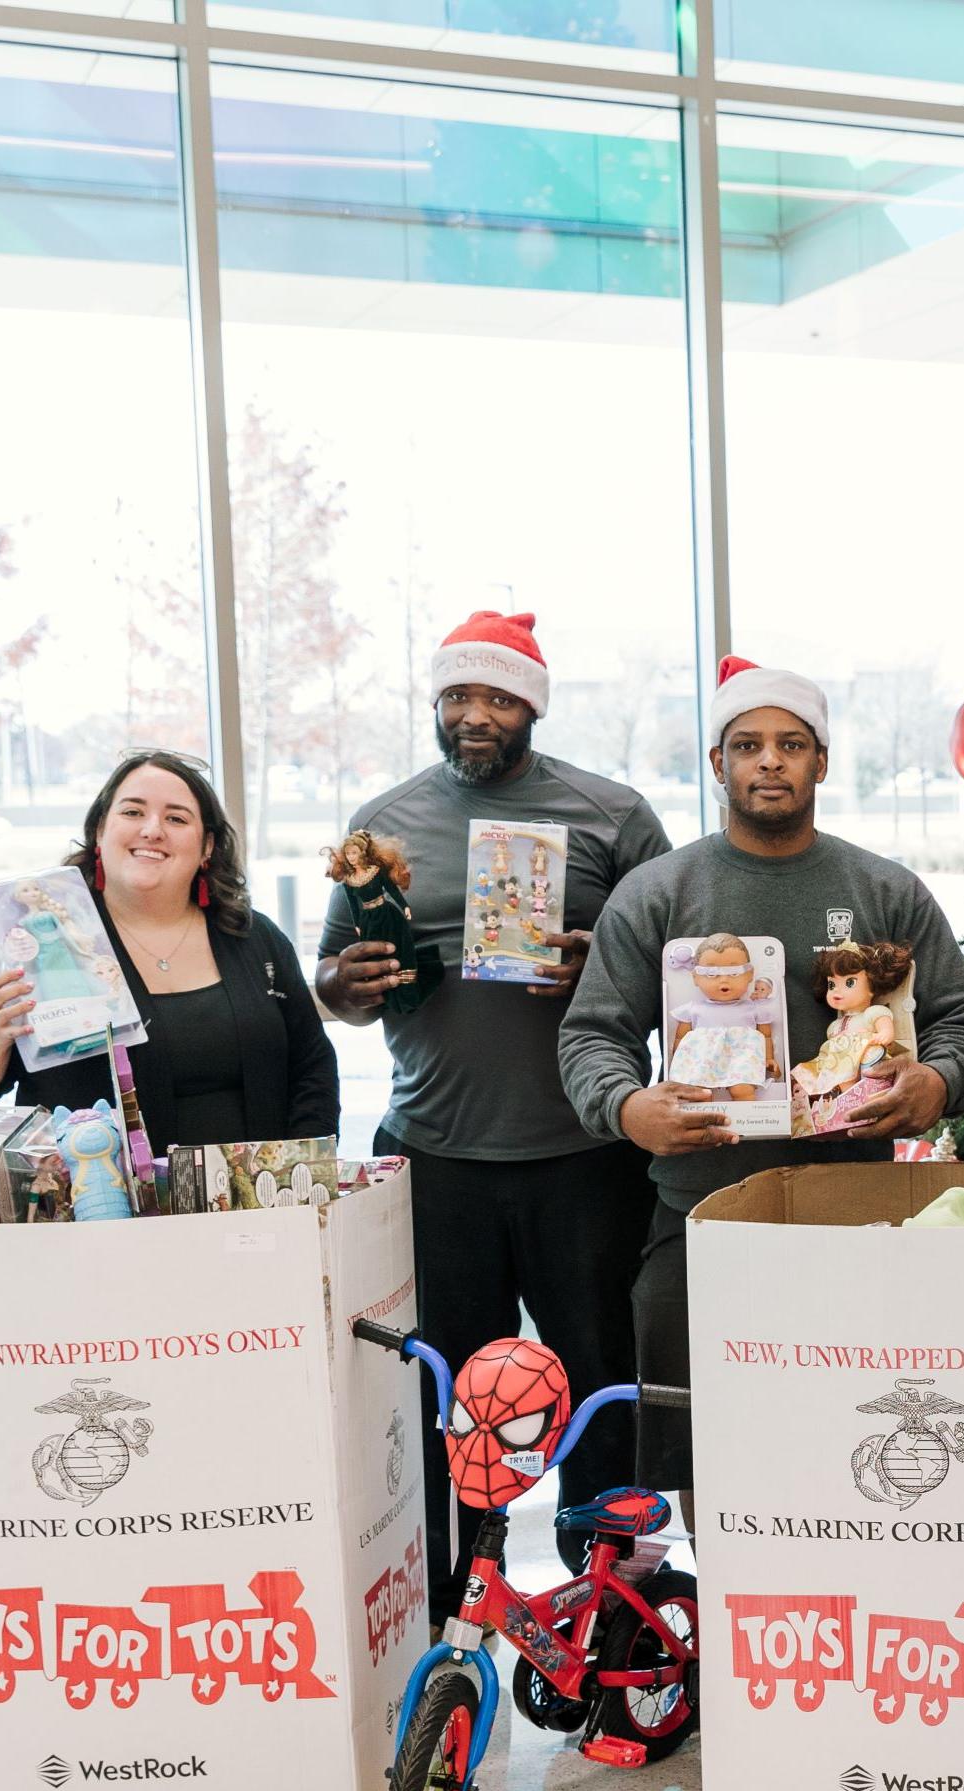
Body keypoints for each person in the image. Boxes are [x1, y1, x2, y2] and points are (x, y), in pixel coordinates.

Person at [559, 657, 964, 1524]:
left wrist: (935, 1082)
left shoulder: (883, 890)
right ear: (716, 763)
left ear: (821, 763)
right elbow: (592, 1035)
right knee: (709, 1457)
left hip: (859, 1212)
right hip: (702, 1214)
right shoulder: (658, 894)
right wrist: (627, 1107)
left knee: (856, 1438)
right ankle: (728, 1615)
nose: (769, 762)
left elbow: (959, 1021)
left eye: (791, 744)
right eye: (746, 745)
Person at [315, 609, 670, 1616]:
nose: (476, 714)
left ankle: (612, 1590)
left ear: (533, 705)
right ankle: (454, 1581)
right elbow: (330, 984)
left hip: (584, 1153)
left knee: (599, 1377)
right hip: (434, 1157)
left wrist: (601, 956)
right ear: (435, 704)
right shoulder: (384, 824)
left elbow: (682, 970)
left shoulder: (612, 814)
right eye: (457, 696)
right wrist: (346, 982)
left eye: (498, 695)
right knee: (448, 1392)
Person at [0, 749, 338, 1144]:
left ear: (207, 847)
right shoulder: (41, 938)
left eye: (176, 818)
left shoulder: (254, 938)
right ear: (99, 831)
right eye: (132, 812)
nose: (152, 830)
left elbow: (313, 1067)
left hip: (262, 1199)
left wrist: (302, 1173)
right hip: (100, 1201)